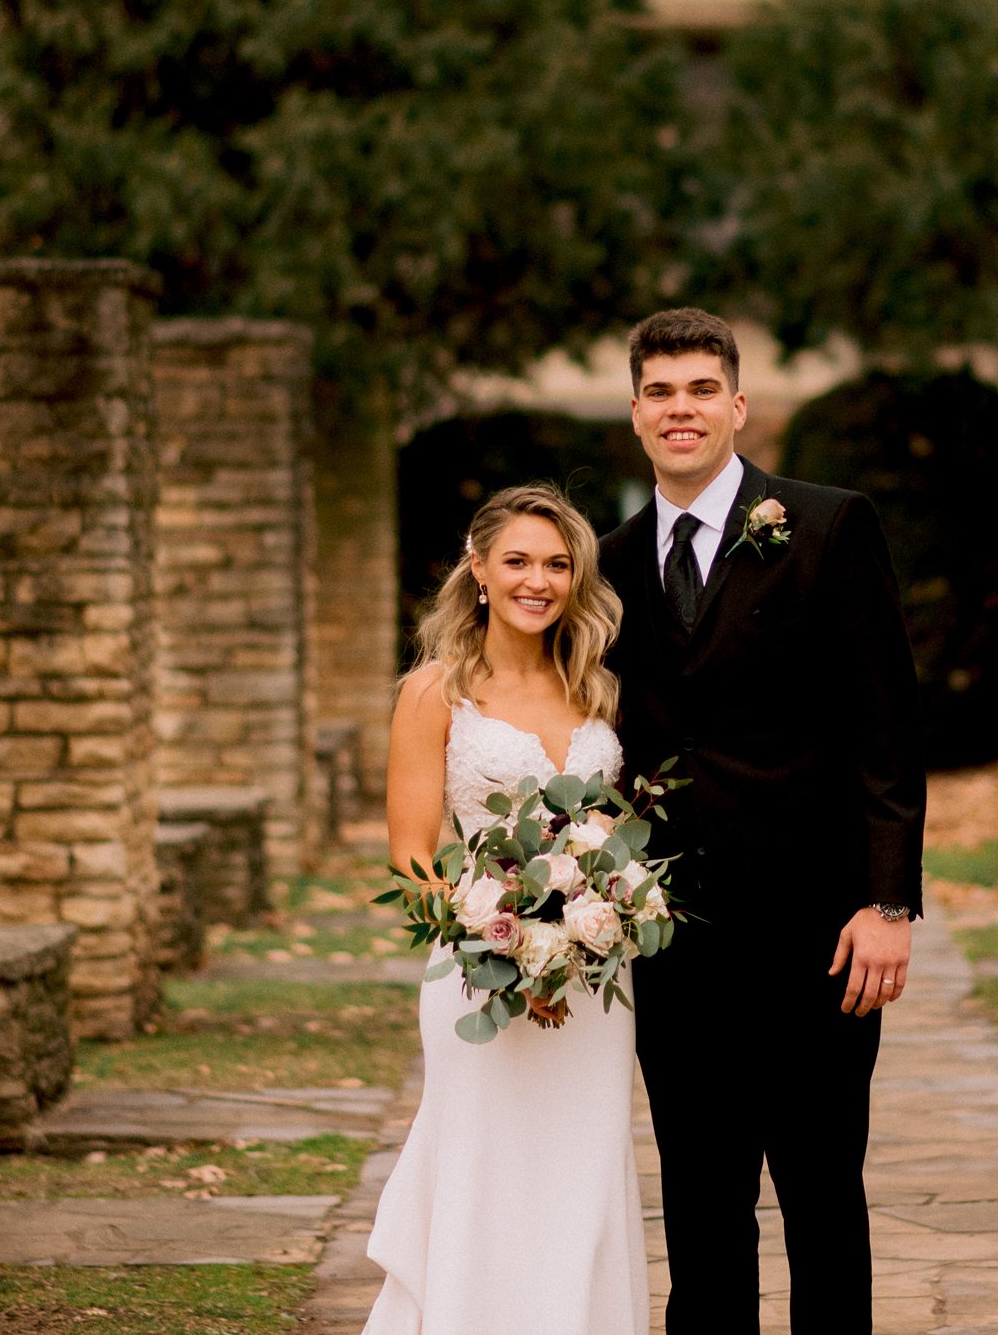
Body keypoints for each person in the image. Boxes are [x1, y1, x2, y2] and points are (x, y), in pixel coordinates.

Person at [602, 307, 926, 1335]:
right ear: (637, 412)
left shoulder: (828, 524)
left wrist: (889, 899)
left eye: (702, 388)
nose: (681, 407)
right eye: (661, 391)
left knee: (822, 1195)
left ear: (737, 405)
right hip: (671, 940)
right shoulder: (600, 565)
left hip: (818, 932)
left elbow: (887, 727)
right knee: (701, 1208)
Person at [363, 482, 650, 1335]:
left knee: (583, 1176)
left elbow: (618, 828)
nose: (538, 579)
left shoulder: (597, 685)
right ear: (478, 567)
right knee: (485, 1174)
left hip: (595, 985)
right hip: (478, 974)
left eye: (557, 564)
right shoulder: (434, 692)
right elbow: (412, 855)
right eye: (517, 560)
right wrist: (503, 940)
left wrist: (586, 927)